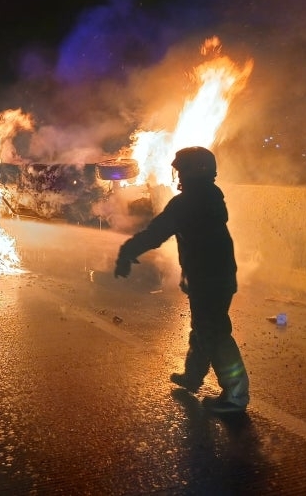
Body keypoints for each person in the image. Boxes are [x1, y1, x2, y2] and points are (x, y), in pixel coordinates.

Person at [113, 146, 249, 414]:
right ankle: (193, 376)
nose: (179, 176)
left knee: (215, 333)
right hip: (215, 275)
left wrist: (127, 252)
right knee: (204, 327)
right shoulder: (210, 196)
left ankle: (236, 394)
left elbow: (156, 234)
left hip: (208, 278)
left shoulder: (187, 203)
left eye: (182, 170)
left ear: (193, 172)